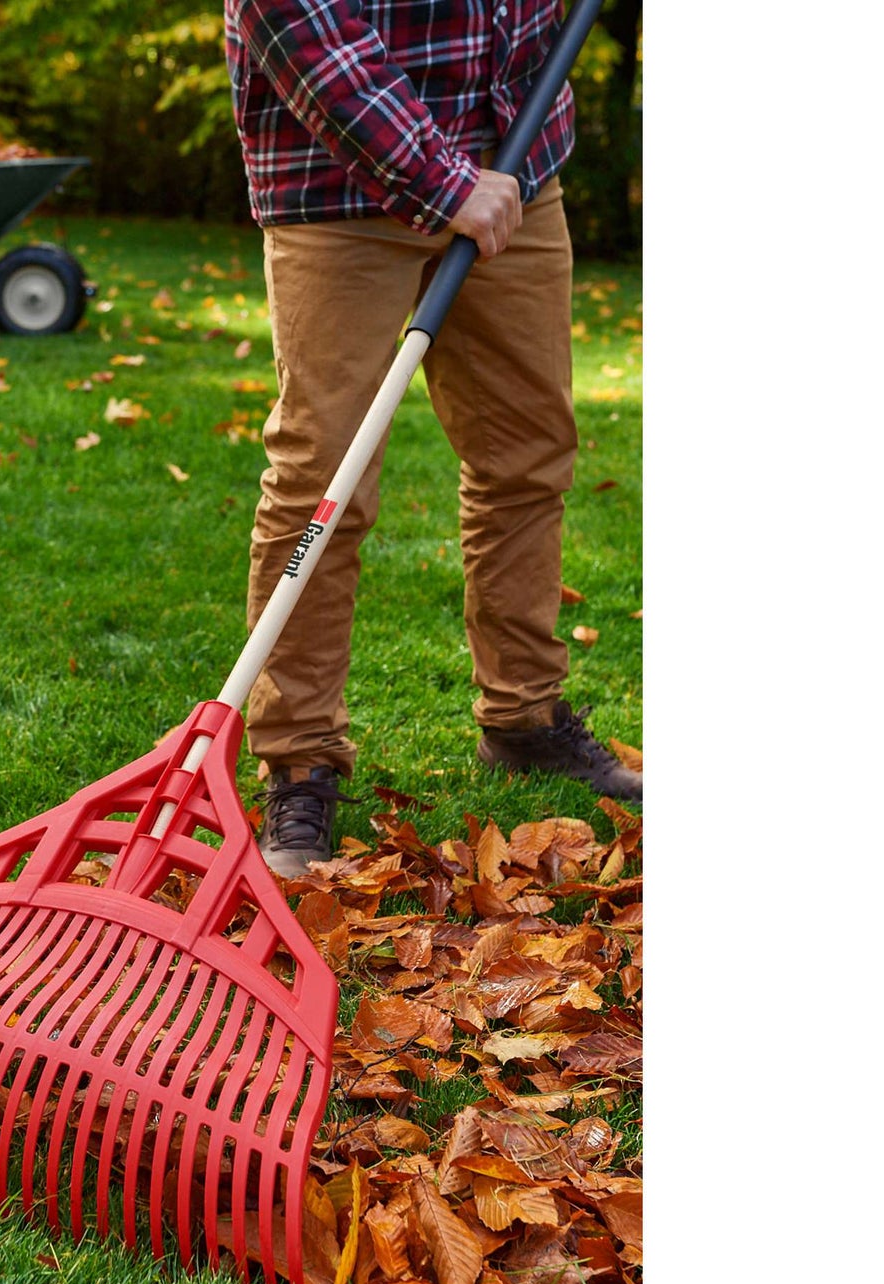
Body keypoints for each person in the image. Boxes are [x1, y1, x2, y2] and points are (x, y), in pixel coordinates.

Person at [223, 0, 642, 877]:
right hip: (339, 174)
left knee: (525, 457)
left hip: (513, 161)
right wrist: (442, 181)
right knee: (323, 478)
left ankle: (523, 717)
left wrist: (485, 175)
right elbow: (291, 17)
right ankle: (298, 759)